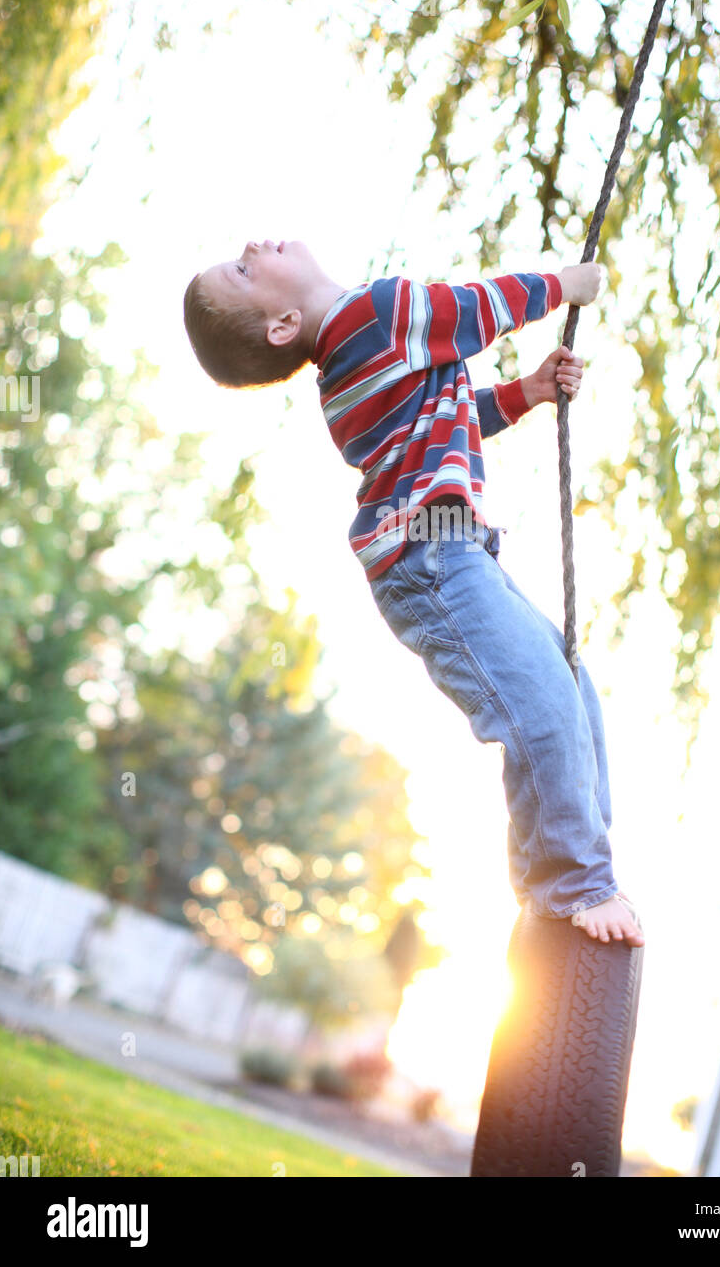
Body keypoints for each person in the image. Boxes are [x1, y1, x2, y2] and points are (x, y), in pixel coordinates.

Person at [183, 239, 644, 946]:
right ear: (279, 326)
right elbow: (477, 310)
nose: (249, 246)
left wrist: (527, 392)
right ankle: (574, 885)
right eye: (242, 270)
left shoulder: (350, 367)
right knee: (544, 707)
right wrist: (563, 285)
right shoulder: (376, 313)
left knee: (572, 689)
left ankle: (565, 886)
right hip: (432, 555)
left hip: (444, 555)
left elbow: (452, 411)